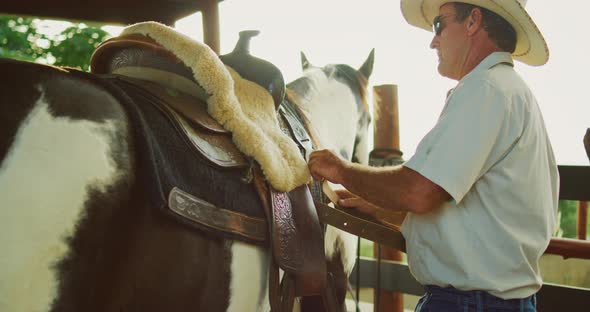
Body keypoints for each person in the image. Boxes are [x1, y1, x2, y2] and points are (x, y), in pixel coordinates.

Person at [308, 1, 559, 311]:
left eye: (439, 24)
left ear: (473, 22)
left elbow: (419, 191)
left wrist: (341, 169)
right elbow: (475, 218)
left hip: (471, 304)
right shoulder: (509, 92)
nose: (432, 40)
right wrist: (381, 208)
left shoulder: (486, 89)